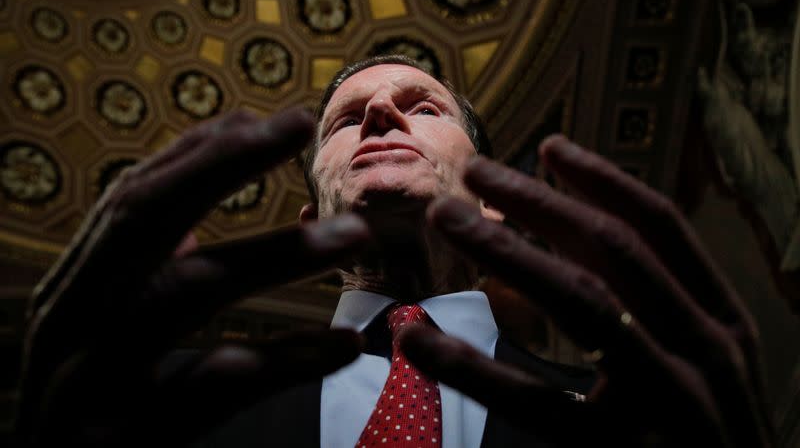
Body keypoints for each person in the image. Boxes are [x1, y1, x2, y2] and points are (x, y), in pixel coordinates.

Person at [15, 55, 775, 447]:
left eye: (423, 106)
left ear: (491, 200)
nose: (379, 109)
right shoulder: (151, 406)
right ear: (312, 215)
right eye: (346, 120)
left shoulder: (633, 414)